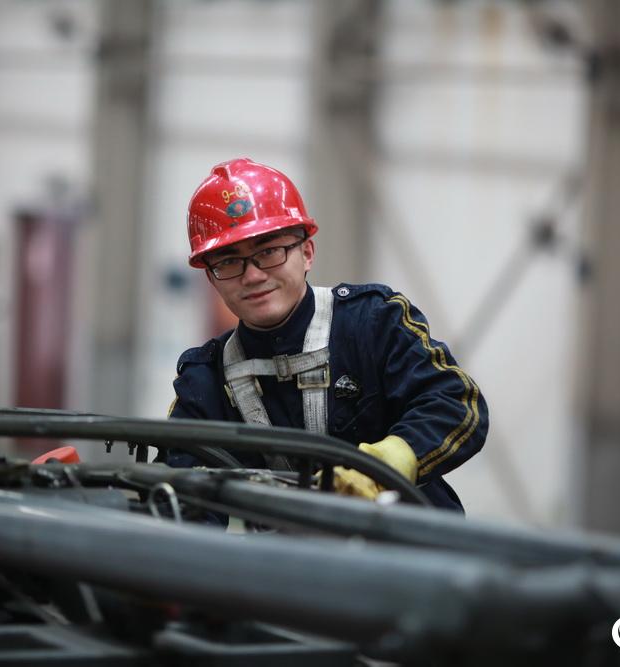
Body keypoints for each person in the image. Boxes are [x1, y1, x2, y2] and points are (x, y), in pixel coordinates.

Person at [165, 158, 488, 512]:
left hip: (410, 555)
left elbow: (456, 403)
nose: (253, 275)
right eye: (228, 261)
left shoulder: (375, 322)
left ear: (307, 252)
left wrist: (385, 465)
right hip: (291, 566)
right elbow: (179, 499)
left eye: (269, 251)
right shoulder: (204, 382)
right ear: (211, 278)